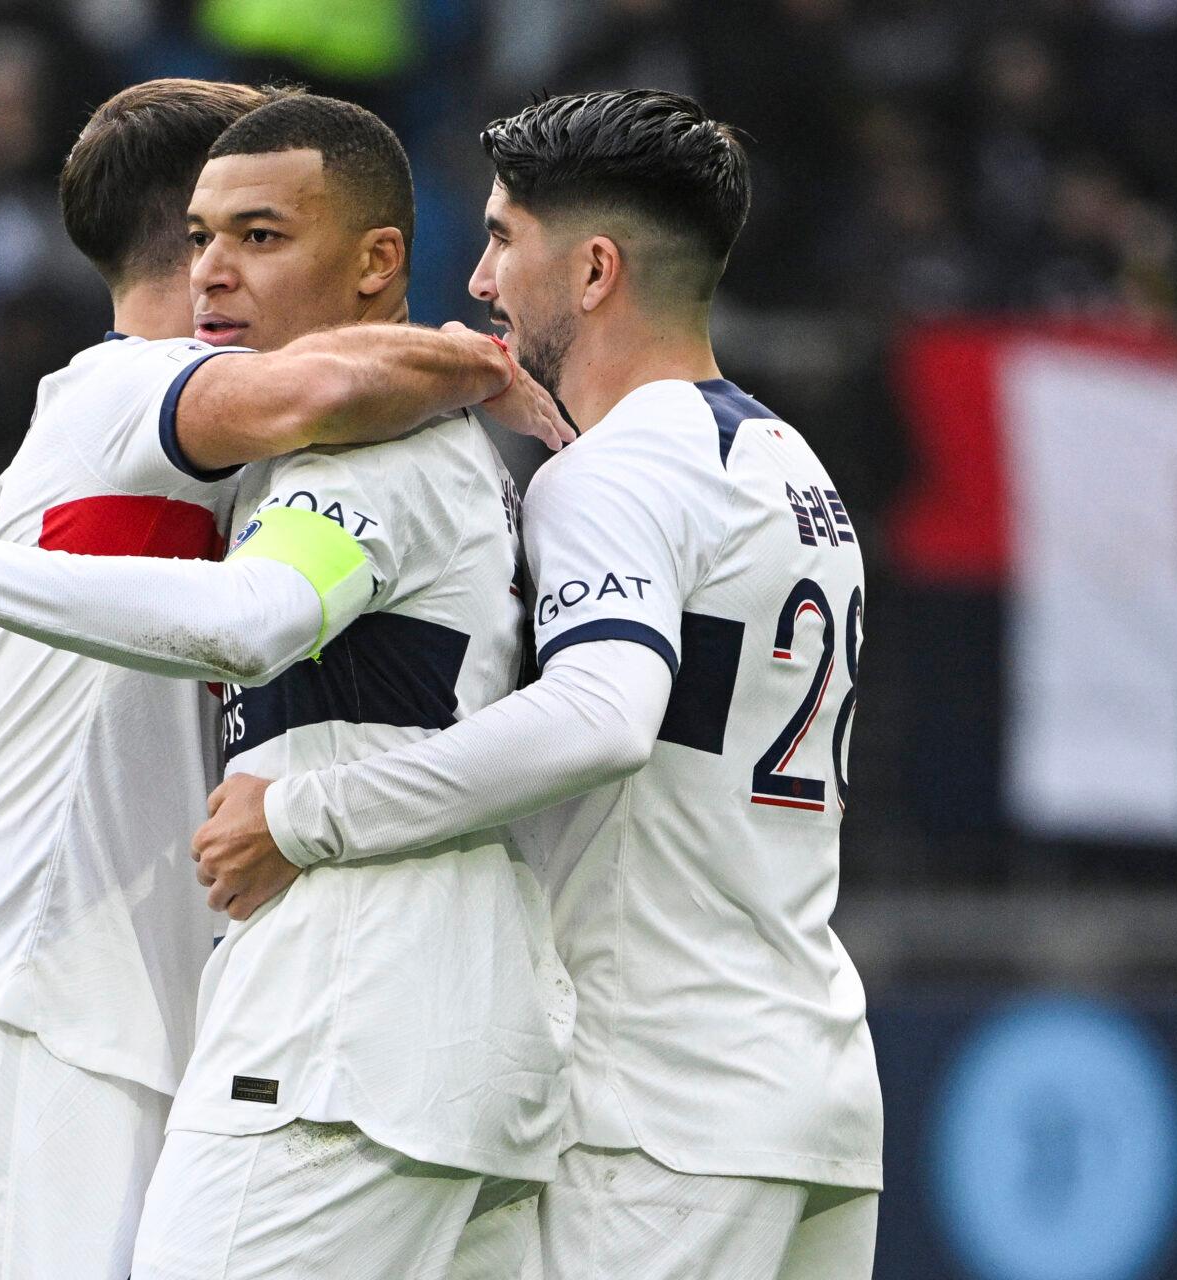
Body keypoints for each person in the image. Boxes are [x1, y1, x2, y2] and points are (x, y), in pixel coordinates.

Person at [0, 82, 568, 1280]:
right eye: (226, 227)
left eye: (259, 230)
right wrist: (480, 359)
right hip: (27, 1021)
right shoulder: (123, 390)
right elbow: (318, 393)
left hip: (161, 1028)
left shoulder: (262, 456)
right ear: (190, 227)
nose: (229, 260)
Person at [195, 89, 885, 1279]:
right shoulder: (785, 462)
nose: (479, 281)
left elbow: (602, 715)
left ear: (597, 270)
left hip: (654, 1109)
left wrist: (306, 816)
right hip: (810, 1089)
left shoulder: (610, 470)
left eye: (506, 237)